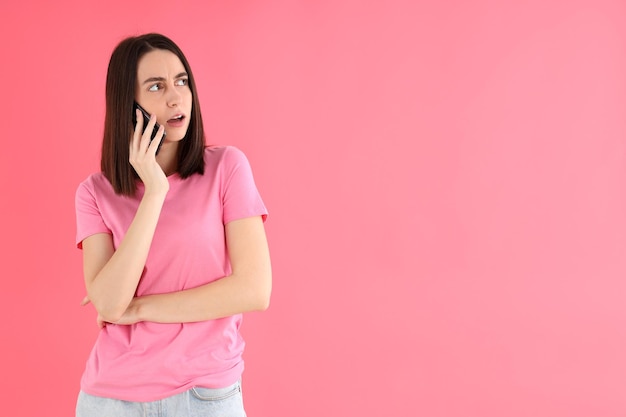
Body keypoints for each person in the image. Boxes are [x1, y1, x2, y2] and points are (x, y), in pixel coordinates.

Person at [74, 33, 271, 417]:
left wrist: (142, 308)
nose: (176, 97)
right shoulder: (94, 193)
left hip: (204, 393)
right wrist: (154, 193)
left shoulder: (227, 168)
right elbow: (112, 304)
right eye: (156, 86)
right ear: (127, 106)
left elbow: (254, 289)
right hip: (110, 399)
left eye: (182, 81)